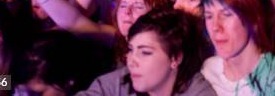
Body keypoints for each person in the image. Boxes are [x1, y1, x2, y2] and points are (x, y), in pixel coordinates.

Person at [78, 9, 216, 96]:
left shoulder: (198, 91)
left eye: (145, 52)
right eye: (131, 50)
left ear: (175, 58)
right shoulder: (120, 82)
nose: (132, 61)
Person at [200, 0, 275, 96]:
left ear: (254, 19)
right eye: (209, 16)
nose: (215, 27)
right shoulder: (209, 70)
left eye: (226, 14)